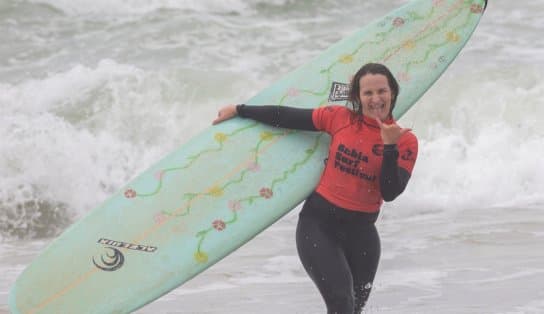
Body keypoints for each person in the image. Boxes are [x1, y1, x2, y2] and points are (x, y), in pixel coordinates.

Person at [213, 63, 418, 314]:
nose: (376, 98)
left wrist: (389, 147)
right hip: (319, 226)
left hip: (363, 233)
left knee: (354, 309)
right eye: (368, 93)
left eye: (382, 91)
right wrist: (240, 110)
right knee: (342, 303)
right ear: (357, 96)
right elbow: (286, 116)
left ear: (393, 93)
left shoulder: (405, 141)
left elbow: (390, 192)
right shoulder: (339, 118)